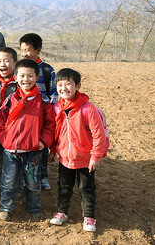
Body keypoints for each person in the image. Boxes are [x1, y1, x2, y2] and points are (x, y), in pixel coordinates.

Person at [0, 59, 55, 221]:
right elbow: (0, 121)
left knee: (33, 183)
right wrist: (4, 140)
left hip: (33, 152)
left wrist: (43, 142)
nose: (26, 79)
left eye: (30, 76)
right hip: (11, 151)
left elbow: (50, 125)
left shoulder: (43, 102)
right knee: (8, 182)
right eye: (22, 75)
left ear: (37, 77)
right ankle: (6, 207)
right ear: (15, 77)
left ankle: (34, 207)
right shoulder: (10, 99)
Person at [48, 68, 106, 232]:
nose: (63, 88)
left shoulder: (88, 108)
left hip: (85, 159)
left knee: (86, 188)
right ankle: (62, 212)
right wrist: (53, 151)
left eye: (68, 84)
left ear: (78, 86)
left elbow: (99, 134)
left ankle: (89, 217)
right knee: (63, 186)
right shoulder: (57, 108)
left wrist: (95, 157)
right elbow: (56, 132)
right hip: (65, 158)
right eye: (60, 84)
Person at [19, 33, 58, 190]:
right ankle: (24, 176)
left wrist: (50, 114)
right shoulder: (20, 68)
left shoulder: (47, 69)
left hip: (42, 115)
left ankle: (43, 176)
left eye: (28, 50)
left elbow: (54, 93)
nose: (25, 54)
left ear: (38, 50)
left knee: (42, 146)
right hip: (25, 115)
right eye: (22, 50)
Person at [0, 47, 18, 198]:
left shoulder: (20, 83)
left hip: (14, 131)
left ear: (15, 63)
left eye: (7, 61)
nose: (2, 64)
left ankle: (14, 189)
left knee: (14, 162)